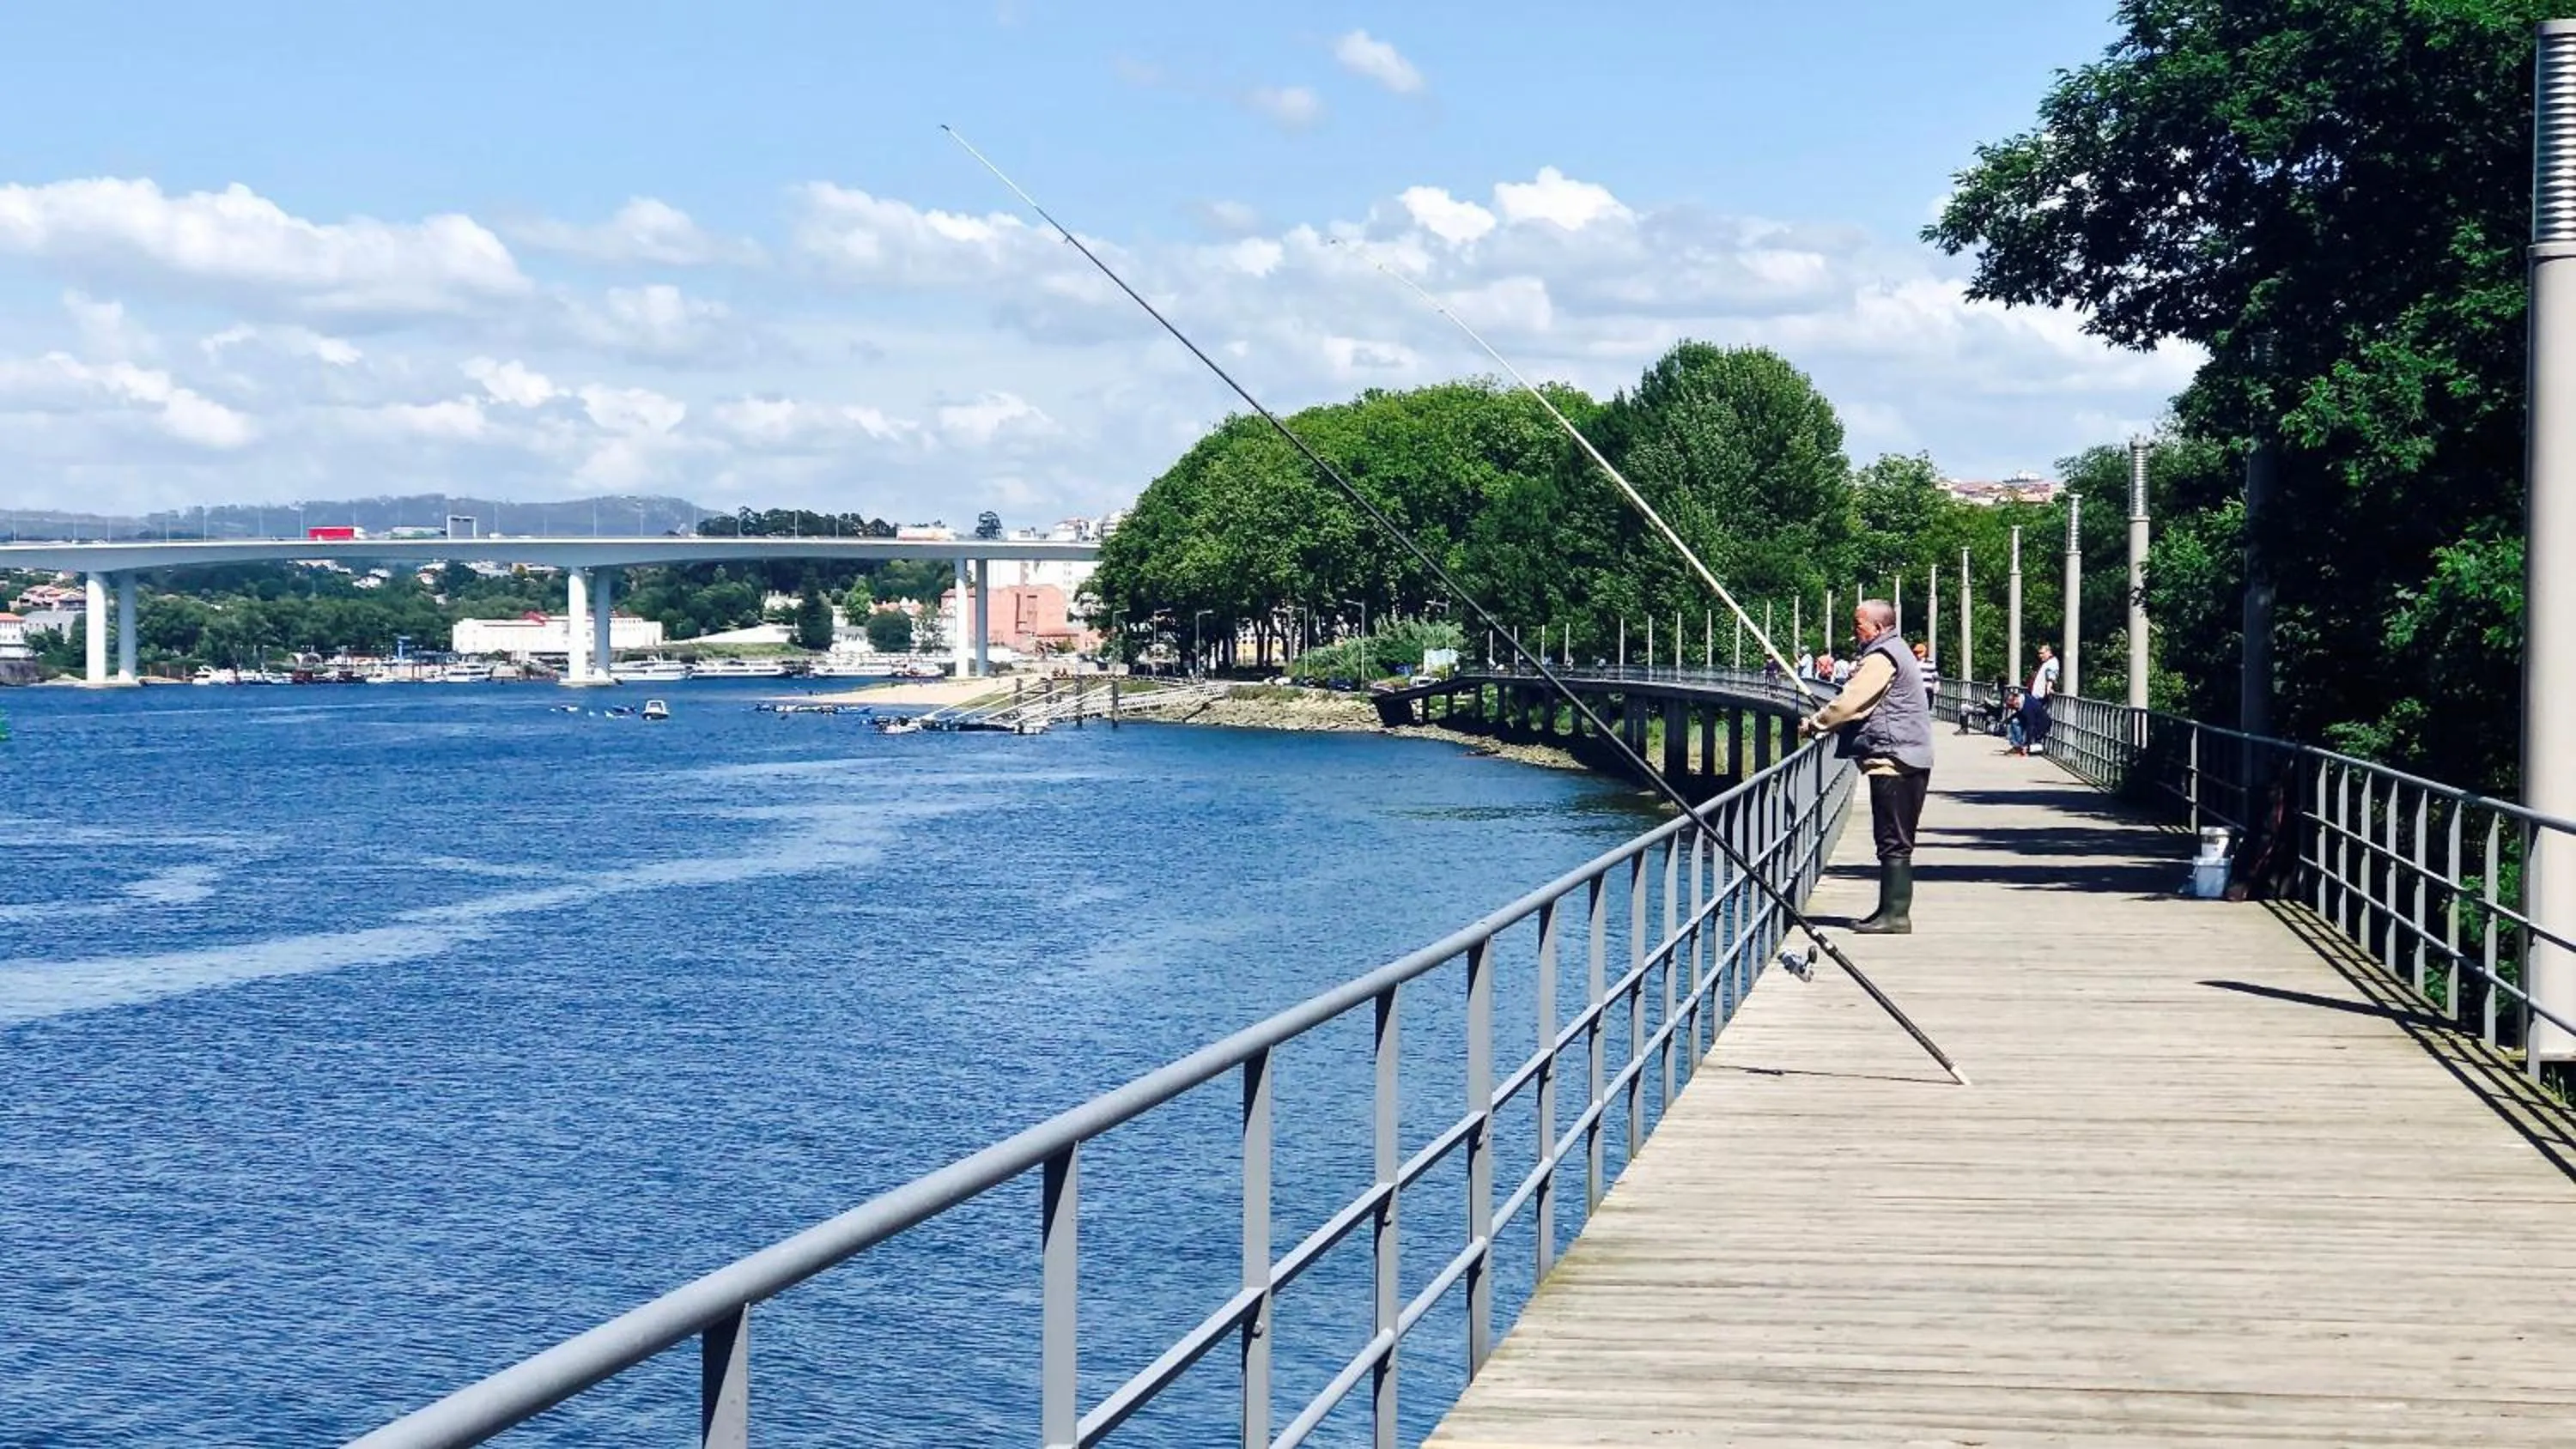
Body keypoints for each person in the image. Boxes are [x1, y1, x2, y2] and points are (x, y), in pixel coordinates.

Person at [1798, 599, 1934, 933]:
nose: (1854, 630)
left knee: (1893, 838)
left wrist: (1816, 724)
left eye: (1858, 624)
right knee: (1891, 837)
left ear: (1879, 626)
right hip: (1903, 757)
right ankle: (1887, 910)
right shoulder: (1896, 650)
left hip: (1896, 760)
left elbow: (1852, 702)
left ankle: (1896, 915)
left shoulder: (1882, 657)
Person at [2019, 644, 2059, 756]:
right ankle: (2029, 745)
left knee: (2035, 722)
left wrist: (2049, 687)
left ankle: (2031, 746)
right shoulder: (2045, 663)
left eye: (2042, 653)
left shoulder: (2052, 662)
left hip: (2040, 698)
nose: (2039, 655)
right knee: (2031, 721)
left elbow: (2052, 674)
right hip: (2034, 697)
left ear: (2049, 652)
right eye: (2039, 653)